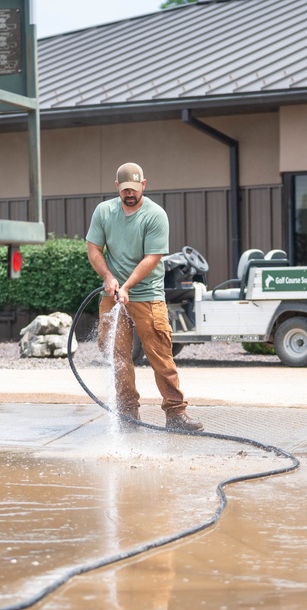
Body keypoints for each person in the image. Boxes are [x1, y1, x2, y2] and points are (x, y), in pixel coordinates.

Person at [85, 162, 203, 432]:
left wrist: (127, 286)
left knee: (160, 354)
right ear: (117, 187)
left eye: (135, 189)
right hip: (113, 295)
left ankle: (175, 414)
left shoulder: (155, 215)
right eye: (125, 189)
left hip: (147, 296)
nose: (130, 194)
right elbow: (93, 248)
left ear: (144, 186)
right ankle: (128, 415)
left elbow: (153, 257)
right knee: (117, 356)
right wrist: (108, 278)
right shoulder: (104, 212)